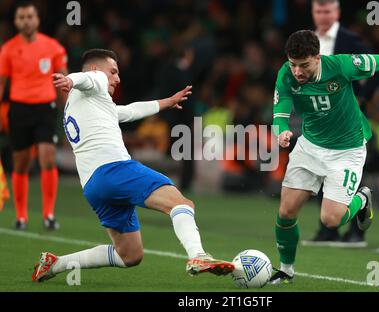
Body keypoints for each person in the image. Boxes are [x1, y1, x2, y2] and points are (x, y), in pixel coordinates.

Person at [31, 49, 234, 282]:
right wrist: (70, 79)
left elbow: (130, 111)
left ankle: (55, 264)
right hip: (115, 169)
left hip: (94, 186)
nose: (117, 78)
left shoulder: (85, 105)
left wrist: (166, 102)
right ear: (97, 70)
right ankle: (198, 255)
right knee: (181, 203)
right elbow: (87, 77)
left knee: (129, 254)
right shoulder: (94, 79)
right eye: (113, 72)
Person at [269, 30, 379, 284]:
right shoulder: (286, 74)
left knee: (330, 219)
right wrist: (281, 132)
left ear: (317, 57)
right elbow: (280, 111)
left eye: (304, 65)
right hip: (309, 147)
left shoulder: (342, 66)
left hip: (346, 150)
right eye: (293, 64)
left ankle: (362, 199)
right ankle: (286, 270)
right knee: (286, 212)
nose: (297, 71)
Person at [304, 0, 379, 246]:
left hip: (348, 118)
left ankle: (356, 232)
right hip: (321, 119)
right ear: (313, 13)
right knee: (321, 170)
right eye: (319, 11)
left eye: (328, 11)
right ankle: (328, 230)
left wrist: (361, 97)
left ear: (337, 13)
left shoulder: (350, 40)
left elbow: (375, 69)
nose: (323, 15)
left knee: (349, 172)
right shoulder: (307, 41)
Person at [0, 1, 68, 230]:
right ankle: (21, 216)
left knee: (47, 157)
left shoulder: (54, 48)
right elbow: (2, 83)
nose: (26, 21)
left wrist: (67, 109)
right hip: (18, 109)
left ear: (37, 19)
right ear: (16, 21)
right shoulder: (8, 49)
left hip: (45, 109)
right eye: (21, 17)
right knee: (20, 165)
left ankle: (49, 214)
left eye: (30, 16)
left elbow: (64, 82)